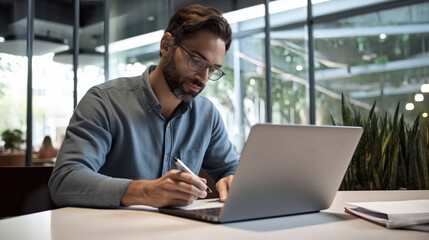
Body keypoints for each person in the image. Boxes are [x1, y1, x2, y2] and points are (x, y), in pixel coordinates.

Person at [49, 4, 238, 208]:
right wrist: (146, 192)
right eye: (197, 60)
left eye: (213, 69)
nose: (203, 77)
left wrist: (234, 180)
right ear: (166, 45)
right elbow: (64, 180)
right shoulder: (104, 102)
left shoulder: (207, 115)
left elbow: (232, 170)